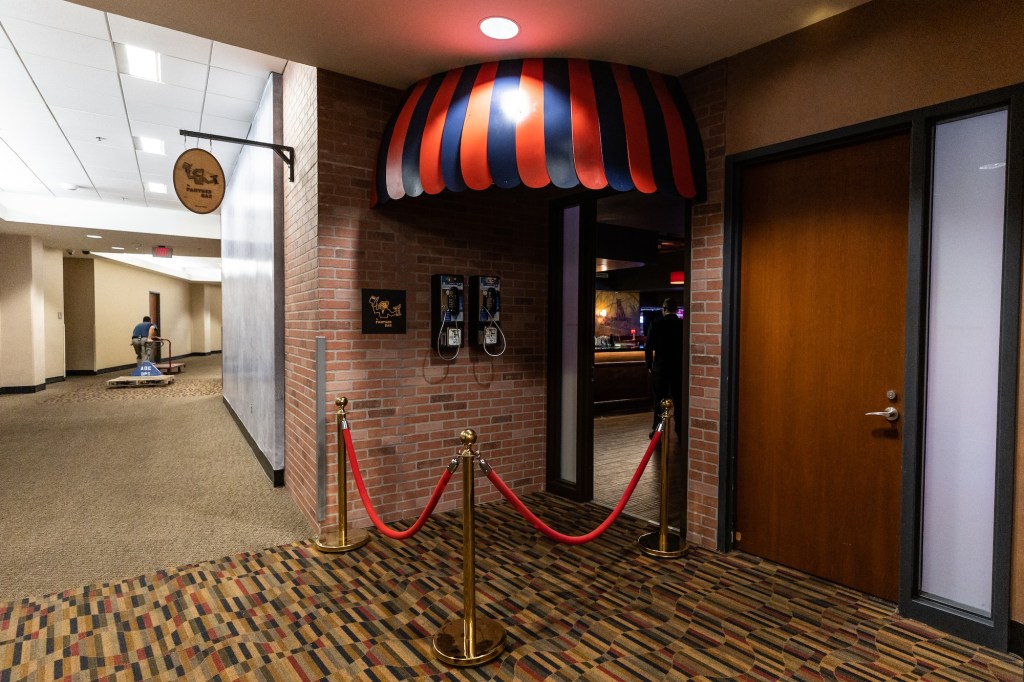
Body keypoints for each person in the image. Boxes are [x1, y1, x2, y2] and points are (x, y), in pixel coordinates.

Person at [644, 298, 683, 440]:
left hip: (660, 367)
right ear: (676, 309)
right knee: (679, 399)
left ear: (663, 309)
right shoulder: (682, 324)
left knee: (659, 399)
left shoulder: (656, 323)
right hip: (678, 368)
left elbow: (648, 347)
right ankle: (680, 429)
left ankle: (657, 430)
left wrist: (649, 365)